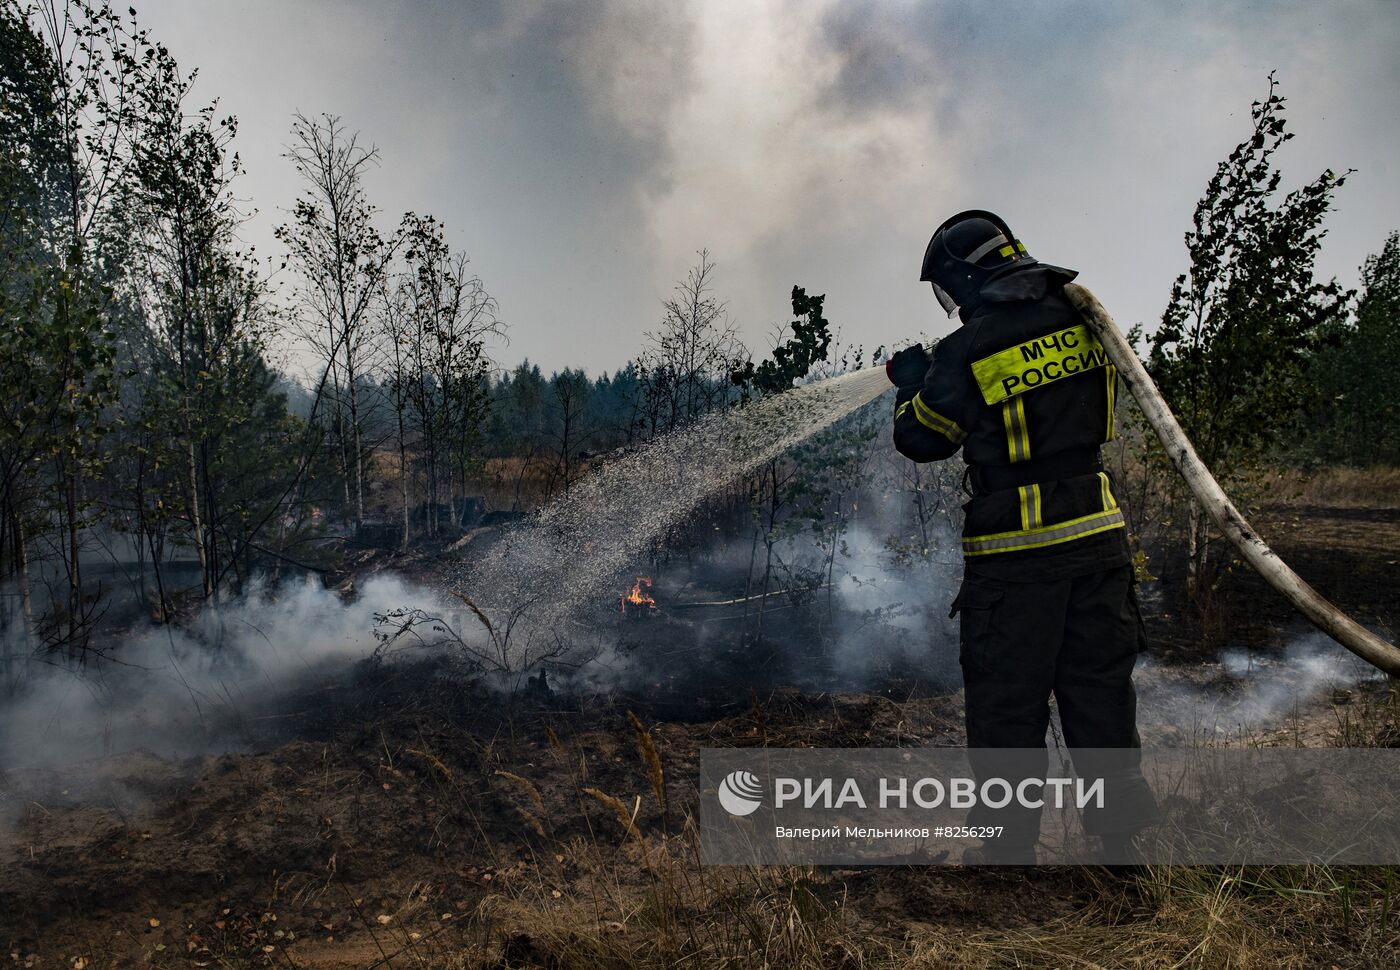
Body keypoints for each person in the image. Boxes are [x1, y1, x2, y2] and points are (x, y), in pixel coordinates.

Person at [888, 209, 1155, 864]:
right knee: (1101, 697)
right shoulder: (1081, 313)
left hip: (1017, 561)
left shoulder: (966, 349)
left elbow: (923, 438)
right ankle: (1119, 850)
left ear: (966, 275)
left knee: (1008, 704)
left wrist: (911, 387)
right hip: (1099, 541)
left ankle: (1008, 856)